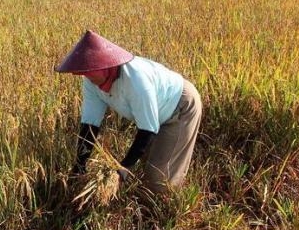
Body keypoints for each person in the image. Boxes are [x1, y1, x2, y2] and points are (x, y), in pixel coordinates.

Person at [55, 30, 203, 193]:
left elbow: (148, 129)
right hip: (156, 112)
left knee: (158, 177)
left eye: (88, 71)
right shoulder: (91, 83)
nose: (84, 76)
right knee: (145, 165)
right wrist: (79, 164)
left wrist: (123, 169)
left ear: (105, 66)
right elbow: (90, 125)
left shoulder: (135, 81)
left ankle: (168, 211)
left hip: (180, 107)